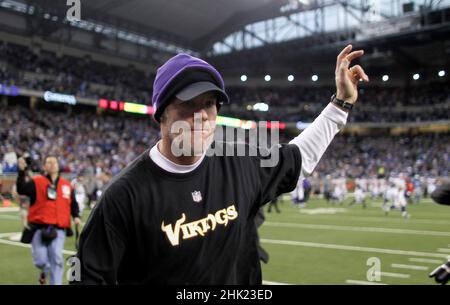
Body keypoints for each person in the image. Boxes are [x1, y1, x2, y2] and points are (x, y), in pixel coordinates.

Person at [74, 45, 369, 284]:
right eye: (188, 105)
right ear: (161, 114)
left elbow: (298, 158)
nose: (201, 116)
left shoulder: (241, 161)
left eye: (209, 104)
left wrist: (341, 102)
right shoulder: (124, 197)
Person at [16, 156, 81, 285]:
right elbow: (21, 189)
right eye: (48, 162)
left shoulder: (66, 185)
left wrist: (76, 216)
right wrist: (21, 172)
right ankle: (44, 270)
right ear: (44, 166)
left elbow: (73, 203)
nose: (52, 164)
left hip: (59, 229)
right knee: (40, 261)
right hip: (38, 228)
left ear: (58, 165)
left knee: (57, 259)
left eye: (54, 162)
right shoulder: (37, 182)